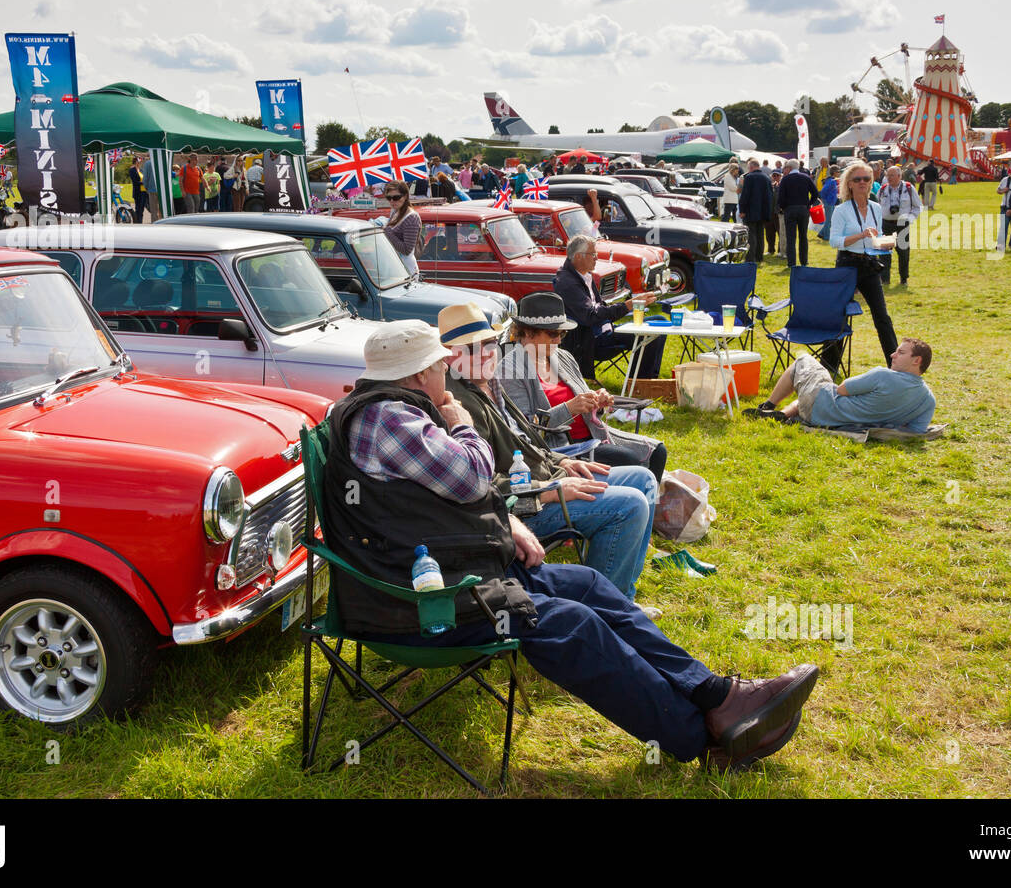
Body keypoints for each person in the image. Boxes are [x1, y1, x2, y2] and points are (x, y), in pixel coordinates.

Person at [329, 319, 819, 770]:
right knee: (571, 625)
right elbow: (473, 475)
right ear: (417, 375)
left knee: (586, 584)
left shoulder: (396, 411)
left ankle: (716, 695)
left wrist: (506, 521)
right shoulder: (389, 419)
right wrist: (458, 419)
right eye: (439, 362)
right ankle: (702, 736)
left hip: (452, 570)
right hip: (419, 600)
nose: (445, 369)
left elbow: (428, 499)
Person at [439, 305, 659, 606]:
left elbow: (527, 440)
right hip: (523, 506)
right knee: (629, 506)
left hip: (547, 475)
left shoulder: (487, 384)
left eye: (489, 343)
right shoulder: (458, 404)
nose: (487, 353)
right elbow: (481, 485)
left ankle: (622, 600)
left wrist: (562, 461)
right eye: (472, 349)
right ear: (450, 355)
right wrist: (550, 492)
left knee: (644, 479)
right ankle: (608, 608)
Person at [499, 293, 667, 480]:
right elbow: (526, 429)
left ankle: (650, 507)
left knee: (658, 451)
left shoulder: (562, 357)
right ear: (528, 332)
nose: (559, 340)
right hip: (561, 449)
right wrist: (569, 408)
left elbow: (584, 400)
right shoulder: (510, 370)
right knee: (631, 461)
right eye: (553, 334)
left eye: (562, 333)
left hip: (594, 435)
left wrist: (598, 400)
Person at [745, 338, 935, 433]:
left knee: (803, 360)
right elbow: (914, 431)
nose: (893, 355)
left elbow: (842, 389)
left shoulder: (883, 375)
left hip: (819, 405)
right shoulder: (927, 400)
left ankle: (768, 405)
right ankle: (783, 414)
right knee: (814, 388)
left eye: (900, 353)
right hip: (834, 420)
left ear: (916, 360)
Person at [553, 235, 662, 379]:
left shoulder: (584, 275)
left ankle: (651, 379)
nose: (596, 258)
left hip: (605, 330)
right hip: (592, 340)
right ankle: (639, 384)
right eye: (593, 254)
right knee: (648, 334)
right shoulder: (567, 282)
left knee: (658, 322)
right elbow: (590, 316)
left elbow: (599, 307)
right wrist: (629, 305)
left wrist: (628, 305)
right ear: (578, 256)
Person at [824, 160, 898, 368]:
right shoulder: (842, 210)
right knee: (840, 316)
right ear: (849, 184)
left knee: (882, 317)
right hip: (847, 264)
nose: (863, 183)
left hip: (869, 264)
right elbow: (834, 241)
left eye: (866, 179)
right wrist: (860, 235)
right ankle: (829, 366)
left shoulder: (875, 208)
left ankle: (895, 365)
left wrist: (885, 243)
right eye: (857, 180)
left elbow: (878, 235)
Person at [877, 165, 922, 285]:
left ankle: (904, 279)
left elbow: (918, 207)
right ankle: (885, 279)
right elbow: (876, 206)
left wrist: (910, 219)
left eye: (892, 175)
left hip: (902, 224)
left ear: (899, 176)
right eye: (888, 175)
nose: (889, 177)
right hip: (886, 224)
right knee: (884, 253)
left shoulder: (908, 188)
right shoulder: (883, 189)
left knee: (903, 253)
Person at [778, 158, 820, 267]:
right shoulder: (806, 178)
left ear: (790, 168)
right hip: (803, 209)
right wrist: (809, 204)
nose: (784, 170)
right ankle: (804, 261)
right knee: (803, 237)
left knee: (791, 238)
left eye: (786, 167)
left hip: (790, 209)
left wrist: (783, 207)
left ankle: (791, 263)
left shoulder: (785, 179)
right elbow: (815, 193)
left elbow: (781, 197)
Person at [382, 179, 422, 276]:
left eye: (396, 197)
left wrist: (387, 231)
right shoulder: (395, 211)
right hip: (395, 269)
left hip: (406, 272)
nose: (392, 201)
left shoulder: (412, 218)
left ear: (405, 196)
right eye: (389, 198)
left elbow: (406, 250)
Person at [737, 158, 772, 263]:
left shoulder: (749, 177)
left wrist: (742, 210)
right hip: (762, 211)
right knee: (760, 235)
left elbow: (745, 195)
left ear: (751, 167)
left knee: (751, 235)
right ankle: (759, 257)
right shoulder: (766, 178)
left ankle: (750, 258)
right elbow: (770, 196)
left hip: (750, 211)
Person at [128, 156, 146, 225]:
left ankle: (140, 222)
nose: (140, 162)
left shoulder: (141, 170)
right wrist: (143, 183)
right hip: (138, 192)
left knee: (142, 209)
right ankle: (137, 223)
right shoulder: (132, 170)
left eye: (140, 161)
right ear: (135, 162)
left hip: (144, 192)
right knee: (138, 209)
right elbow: (135, 182)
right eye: (139, 161)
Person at [142, 155, 159, 223]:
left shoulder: (148, 163)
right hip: (163, 190)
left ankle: (155, 225)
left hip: (152, 189)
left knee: (154, 211)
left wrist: (146, 187)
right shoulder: (162, 161)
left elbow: (145, 177)